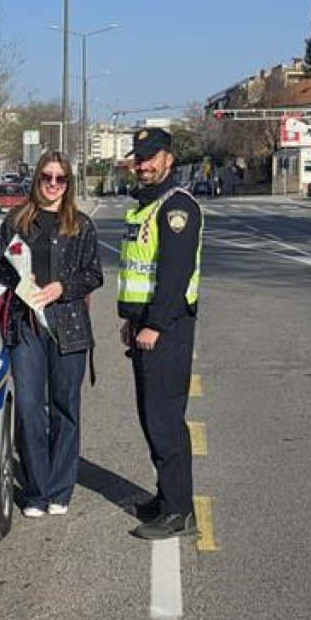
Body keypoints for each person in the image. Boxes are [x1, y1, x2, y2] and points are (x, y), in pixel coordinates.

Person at [0, 151, 102, 519]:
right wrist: (18, 281)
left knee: (65, 408)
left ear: (68, 184)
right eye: (47, 178)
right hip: (27, 325)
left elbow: (93, 274)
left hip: (67, 327)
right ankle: (36, 490)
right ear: (36, 180)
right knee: (29, 408)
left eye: (60, 179)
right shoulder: (17, 221)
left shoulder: (81, 225)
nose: (53, 185)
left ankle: (59, 489)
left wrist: (61, 288)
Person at [118, 127, 204, 540]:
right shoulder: (144, 206)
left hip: (166, 329)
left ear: (169, 158)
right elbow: (141, 271)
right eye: (139, 157)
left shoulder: (177, 208)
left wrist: (153, 323)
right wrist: (133, 319)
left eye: (151, 157)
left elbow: (174, 275)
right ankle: (166, 496)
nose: (143, 165)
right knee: (151, 419)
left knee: (165, 420)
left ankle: (179, 511)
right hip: (146, 326)